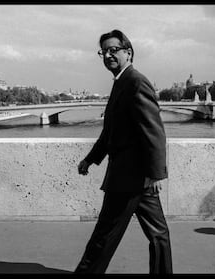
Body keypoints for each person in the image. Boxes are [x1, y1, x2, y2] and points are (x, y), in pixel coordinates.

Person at [74, 29, 172, 273]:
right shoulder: (122, 82)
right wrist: (91, 159)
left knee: (105, 234)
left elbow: (154, 132)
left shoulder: (135, 82)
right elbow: (111, 132)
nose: (108, 55)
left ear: (128, 52)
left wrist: (157, 174)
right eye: (104, 51)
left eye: (113, 50)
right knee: (158, 234)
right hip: (137, 177)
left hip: (129, 178)